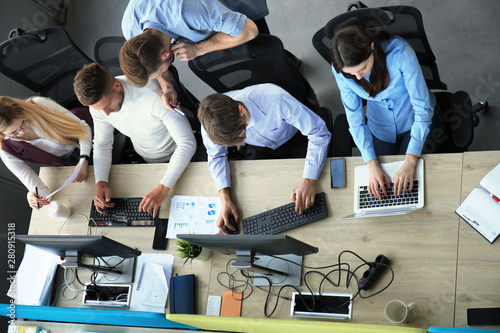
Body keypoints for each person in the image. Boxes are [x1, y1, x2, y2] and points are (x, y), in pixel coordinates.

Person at [197, 83, 331, 233]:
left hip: (295, 138)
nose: (241, 140)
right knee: (258, 200)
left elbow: (318, 132)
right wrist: (224, 197)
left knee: (312, 199)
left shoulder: (275, 98)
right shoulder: (211, 123)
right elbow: (217, 156)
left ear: (240, 110)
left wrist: (308, 180)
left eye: (242, 134)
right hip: (260, 148)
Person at [330, 25, 440, 199]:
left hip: (415, 121)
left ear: (371, 47)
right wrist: (370, 163)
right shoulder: (342, 69)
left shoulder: (400, 53)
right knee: (384, 186)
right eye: (351, 74)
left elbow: (423, 108)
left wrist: (410, 159)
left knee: (411, 185)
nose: (358, 77)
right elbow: (355, 118)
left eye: (362, 69)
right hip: (379, 127)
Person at [73, 63, 196, 217]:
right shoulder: (99, 107)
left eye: (108, 105)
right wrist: (101, 183)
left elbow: (187, 144)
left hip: (181, 159)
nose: (106, 114)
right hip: (146, 160)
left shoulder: (153, 95)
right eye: (100, 110)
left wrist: (163, 188)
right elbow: (102, 144)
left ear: (117, 85)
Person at [120, 0, 258, 111]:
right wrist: (167, 87)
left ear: (165, 54)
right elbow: (151, 56)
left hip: (211, 9)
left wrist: (199, 48)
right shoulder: (131, 28)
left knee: (256, 44)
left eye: (160, 72)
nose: (162, 73)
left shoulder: (189, 13)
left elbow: (249, 30)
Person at [0, 96, 92, 209]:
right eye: (14, 132)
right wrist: (34, 196)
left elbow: (83, 128)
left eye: (24, 122)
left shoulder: (38, 104)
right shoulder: (6, 151)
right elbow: (43, 192)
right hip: (72, 164)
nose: (23, 131)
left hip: (92, 135)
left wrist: (84, 158)